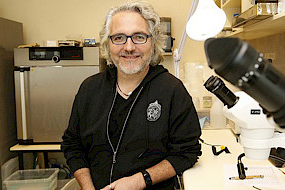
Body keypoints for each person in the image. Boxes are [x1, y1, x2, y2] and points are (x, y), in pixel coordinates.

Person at [61, 2, 202, 189]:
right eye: (119, 37)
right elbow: (73, 145)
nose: (128, 47)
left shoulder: (171, 90)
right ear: (107, 43)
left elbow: (187, 152)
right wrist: (88, 187)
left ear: (153, 42)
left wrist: (140, 180)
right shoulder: (90, 89)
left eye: (139, 37)